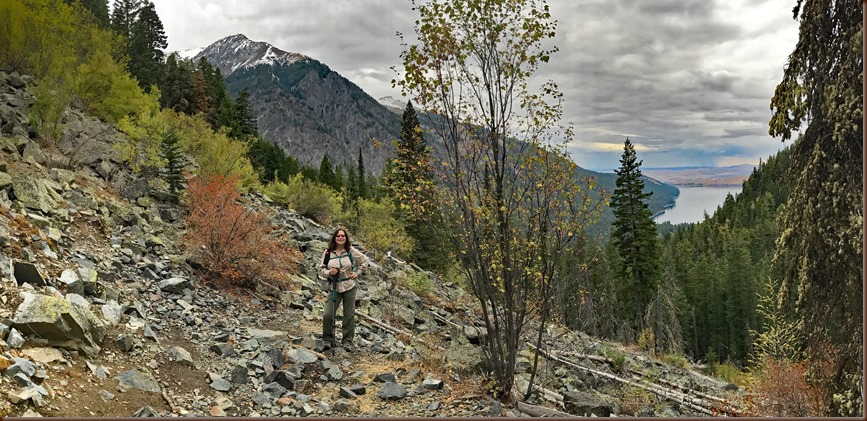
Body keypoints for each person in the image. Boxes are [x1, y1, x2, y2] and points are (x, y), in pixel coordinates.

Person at [320, 228, 369, 352]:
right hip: (334, 287)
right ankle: (328, 340)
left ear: (346, 238)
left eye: (343, 236)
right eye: (338, 236)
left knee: (349, 315)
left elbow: (365, 261)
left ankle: (347, 341)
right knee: (328, 314)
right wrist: (329, 272)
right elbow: (321, 269)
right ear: (334, 238)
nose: (341, 237)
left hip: (349, 286)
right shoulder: (327, 253)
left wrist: (357, 272)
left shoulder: (350, 251)